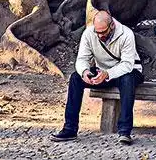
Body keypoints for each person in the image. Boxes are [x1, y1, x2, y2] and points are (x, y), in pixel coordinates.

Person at [52, 10, 143, 145]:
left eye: (103, 32)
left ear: (112, 26)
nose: (100, 36)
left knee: (127, 80)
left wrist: (108, 74)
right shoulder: (89, 33)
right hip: (103, 72)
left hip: (128, 71)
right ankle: (70, 128)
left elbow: (127, 65)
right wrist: (85, 72)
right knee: (75, 78)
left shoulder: (126, 34)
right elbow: (82, 59)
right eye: (97, 32)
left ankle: (124, 131)